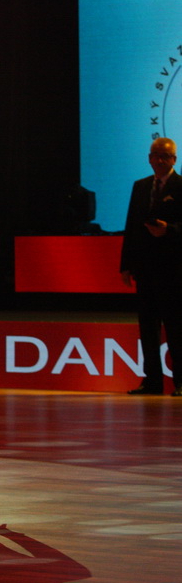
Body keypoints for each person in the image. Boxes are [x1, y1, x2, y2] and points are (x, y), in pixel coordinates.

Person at [120, 137, 182, 397]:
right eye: (155, 155)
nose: (159, 160)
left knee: (176, 326)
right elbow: (131, 226)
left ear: (174, 159)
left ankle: (180, 382)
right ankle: (152, 382)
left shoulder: (181, 185)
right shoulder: (141, 186)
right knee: (147, 327)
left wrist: (169, 230)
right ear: (148, 158)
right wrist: (125, 265)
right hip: (145, 268)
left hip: (174, 269)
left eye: (164, 156)